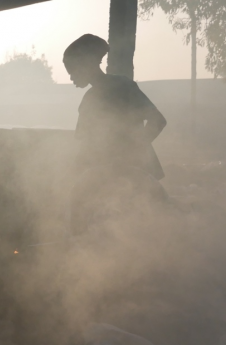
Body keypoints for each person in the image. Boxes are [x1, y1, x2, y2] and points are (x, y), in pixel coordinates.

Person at [63, 34, 168, 234]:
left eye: (72, 70)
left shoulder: (122, 87)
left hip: (135, 179)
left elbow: (158, 121)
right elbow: (86, 145)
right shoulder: (90, 99)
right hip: (108, 179)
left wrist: (131, 151)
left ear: (86, 64)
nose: (71, 77)